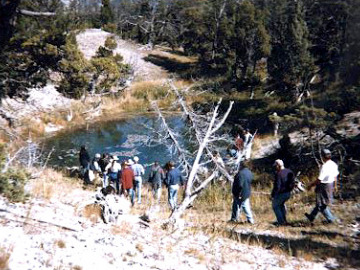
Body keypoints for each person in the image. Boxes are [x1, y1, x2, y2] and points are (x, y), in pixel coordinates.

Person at [305, 149, 339, 224]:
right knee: (320, 203)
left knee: (321, 204)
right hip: (330, 185)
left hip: (323, 186)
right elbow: (335, 176)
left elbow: (320, 179)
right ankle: (311, 217)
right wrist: (335, 186)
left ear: (323, 156)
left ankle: (331, 219)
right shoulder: (334, 164)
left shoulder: (324, 166)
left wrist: (311, 185)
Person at [271, 159, 294, 225]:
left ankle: (281, 222)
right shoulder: (289, 171)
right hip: (288, 193)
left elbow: (277, 186)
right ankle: (284, 220)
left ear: (278, 165)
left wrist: (273, 195)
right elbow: (293, 182)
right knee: (281, 205)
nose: (275, 167)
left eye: (275, 166)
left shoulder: (279, 174)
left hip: (281, 193)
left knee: (275, 206)